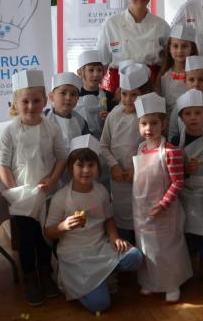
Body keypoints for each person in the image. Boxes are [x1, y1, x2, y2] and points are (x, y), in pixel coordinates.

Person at [44, 135, 143, 313]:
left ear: (98, 167)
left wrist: (114, 238)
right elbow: (48, 232)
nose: (86, 170)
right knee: (100, 304)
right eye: (80, 165)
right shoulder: (61, 198)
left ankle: (101, 276)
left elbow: (108, 218)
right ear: (71, 168)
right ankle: (73, 282)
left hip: (100, 246)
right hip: (75, 254)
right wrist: (64, 226)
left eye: (91, 165)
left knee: (135, 257)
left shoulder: (101, 191)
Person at [0, 70, 68, 306]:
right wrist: (16, 193)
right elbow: (3, 164)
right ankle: (29, 277)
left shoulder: (52, 128)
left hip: (47, 194)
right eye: (25, 101)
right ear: (15, 103)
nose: (30, 106)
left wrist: (53, 179)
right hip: (22, 198)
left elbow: (61, 157)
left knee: (45, 237)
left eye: (36, 100)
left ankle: (46, 273)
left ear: (45, 101)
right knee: (26, 239)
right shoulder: (9, 131)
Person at [132, 92, 192, 302]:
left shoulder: (171, 152)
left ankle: (171, 282)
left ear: (163, 125)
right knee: (147, 246)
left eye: (154, 123)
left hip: (165, 209)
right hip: (142, 208)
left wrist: (163, 204)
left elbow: (178, 182)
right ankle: (150, 281)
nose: (148, 128)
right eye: (144, 124)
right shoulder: (140, 149)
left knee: (167, 247)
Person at [97, 0, 170, 93]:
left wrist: (157, 83)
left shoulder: (161, 25)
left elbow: (168, 60)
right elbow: (102, 62)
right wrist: (104, 92)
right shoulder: (111, 24)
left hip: (151, 86)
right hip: (120, 89)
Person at [170, 89, 203, 285]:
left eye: (197, 113)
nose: (193, 117)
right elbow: (170, 173)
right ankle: (186, 269)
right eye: (188, 113)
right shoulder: (175, 142)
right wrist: (184, 170)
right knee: (185, 233)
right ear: (180, 117)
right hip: (183, 195)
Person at [99, 63, 150, 244]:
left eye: (134, 95)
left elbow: (152, 148)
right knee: (122, 218)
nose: (128, 100)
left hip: (142, 177)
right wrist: (114, 166)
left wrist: (138, 170)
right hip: (119, 178)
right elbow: (104, 145)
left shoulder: (148, 117)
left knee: (142, 217)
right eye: (124, 94)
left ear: (144, 94)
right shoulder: (114, 114)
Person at [168, 55, 203, 141]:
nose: (196, 84)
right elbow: (172, 133)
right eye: (191, 80)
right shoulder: (179, 105)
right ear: (185, 81)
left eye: (201, 80)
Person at [156, 24, 198, 114]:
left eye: (184, 46)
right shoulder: (164, 76)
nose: (179, 50)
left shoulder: (198, 74)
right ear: (169, 49)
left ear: (192, 49)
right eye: (175, 46)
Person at [75, 49, 115, 140]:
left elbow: (115, 123)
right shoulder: (74, 96)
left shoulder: (108, 96)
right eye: (91, 70)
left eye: (99, 70)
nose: (96, 74)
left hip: (104, 141)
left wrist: (110, 117)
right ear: (80, 73)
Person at [45, 72, 89, 149]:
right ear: (51, 96)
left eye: (73, 94)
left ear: (77, 99)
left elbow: (86, 146)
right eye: (63, 93)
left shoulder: (81, 122)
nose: (68, 98)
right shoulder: (43, 118)